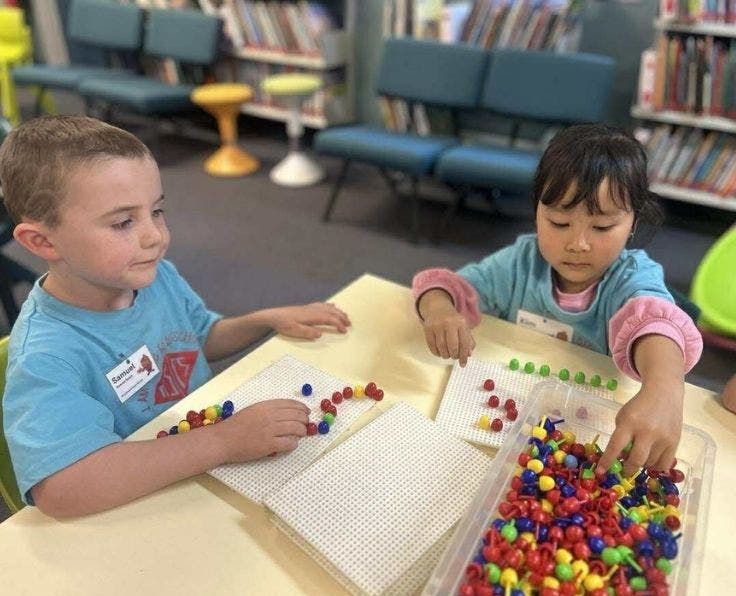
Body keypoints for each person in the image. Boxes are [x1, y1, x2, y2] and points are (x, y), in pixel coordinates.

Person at [0, 115, 351, 518]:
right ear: (42, 241)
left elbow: (200, 336)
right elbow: (63, 489)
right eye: (123, 222)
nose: (155, 236)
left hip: (200, 463)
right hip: (144, 506)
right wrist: (223, 442)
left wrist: (266, 318)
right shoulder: (46, 354)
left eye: (157, 211)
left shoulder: (153, 276)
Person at [412, 124, 702, 477]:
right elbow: (445, 286)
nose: (577, 243)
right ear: (536, 212)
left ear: (632, 223)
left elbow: (656, 324)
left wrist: (665, 387)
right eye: (559, 222)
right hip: (507, 425)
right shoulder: (520, 263)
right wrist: (440, 308)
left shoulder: (631, 277)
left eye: (602, 228)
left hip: (589, 433)